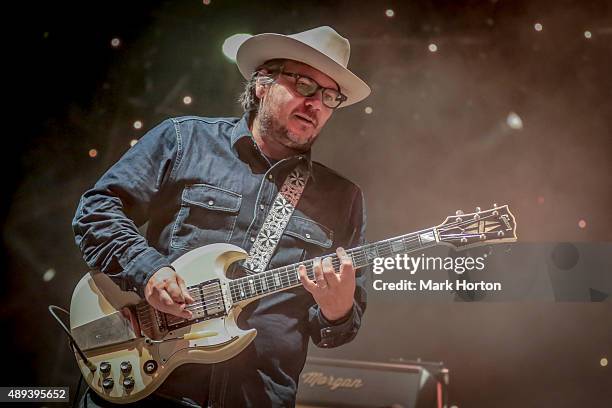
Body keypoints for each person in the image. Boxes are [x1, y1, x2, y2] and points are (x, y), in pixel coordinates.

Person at [73, 26, 371, 407]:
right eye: (305, 85)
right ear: (263, 83)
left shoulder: (343, 199)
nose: (316, 104)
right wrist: (150, 271)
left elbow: (339, 330)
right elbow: (97, 211)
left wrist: (338, 308)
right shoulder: (184, 141)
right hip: (152, 386)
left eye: (331, 97)